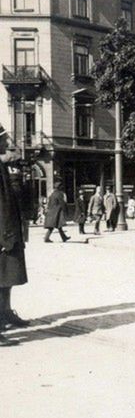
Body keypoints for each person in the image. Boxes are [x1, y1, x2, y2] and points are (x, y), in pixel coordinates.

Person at [0, 126, 29, 346]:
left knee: (7, 277)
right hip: (3, 233)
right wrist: (5, 235)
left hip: (8, 231)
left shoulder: (4, 166)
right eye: (3, 139)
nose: (6, 143)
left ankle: (5, 313)